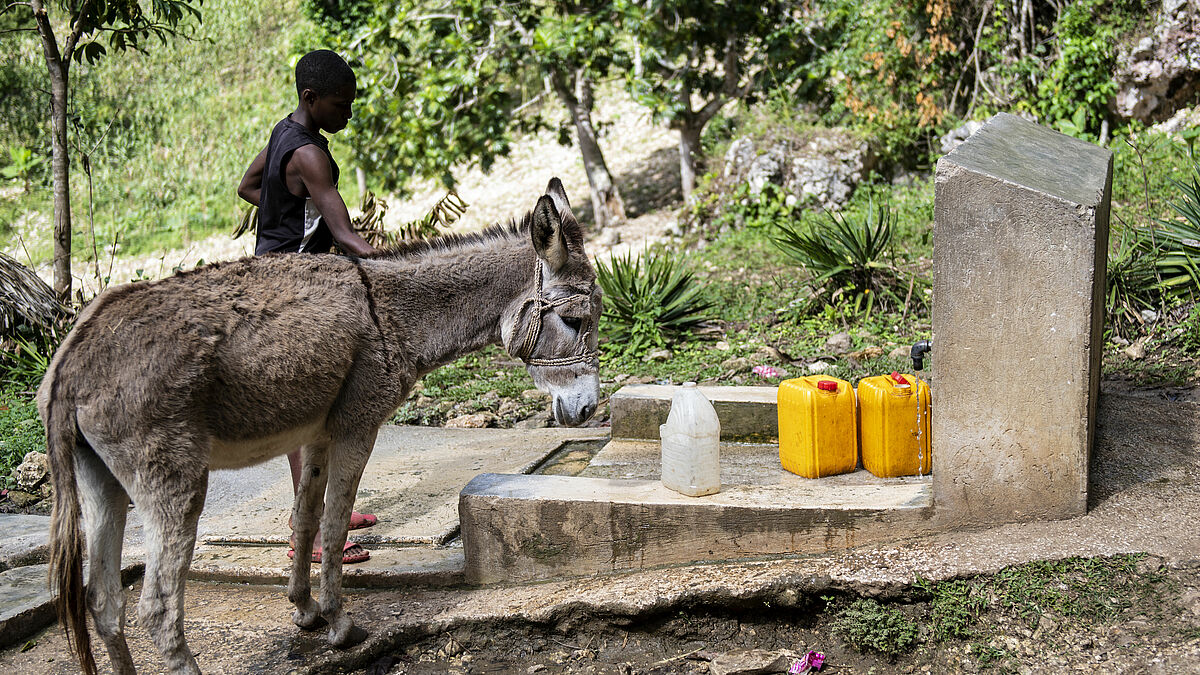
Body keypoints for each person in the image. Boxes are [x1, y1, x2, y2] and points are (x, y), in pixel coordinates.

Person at [237, 48, 378, 564]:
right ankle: (312, 535)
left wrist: (289, 209)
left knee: (317, 412)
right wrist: (410, 268)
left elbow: (249, 185)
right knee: (307, 416)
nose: (348, 113)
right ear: (311, 98)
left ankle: (321, 513)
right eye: (342, 104)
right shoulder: (311, 156)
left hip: (271, 274)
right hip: (289, 291)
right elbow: (347, 237)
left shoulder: (286, 134)